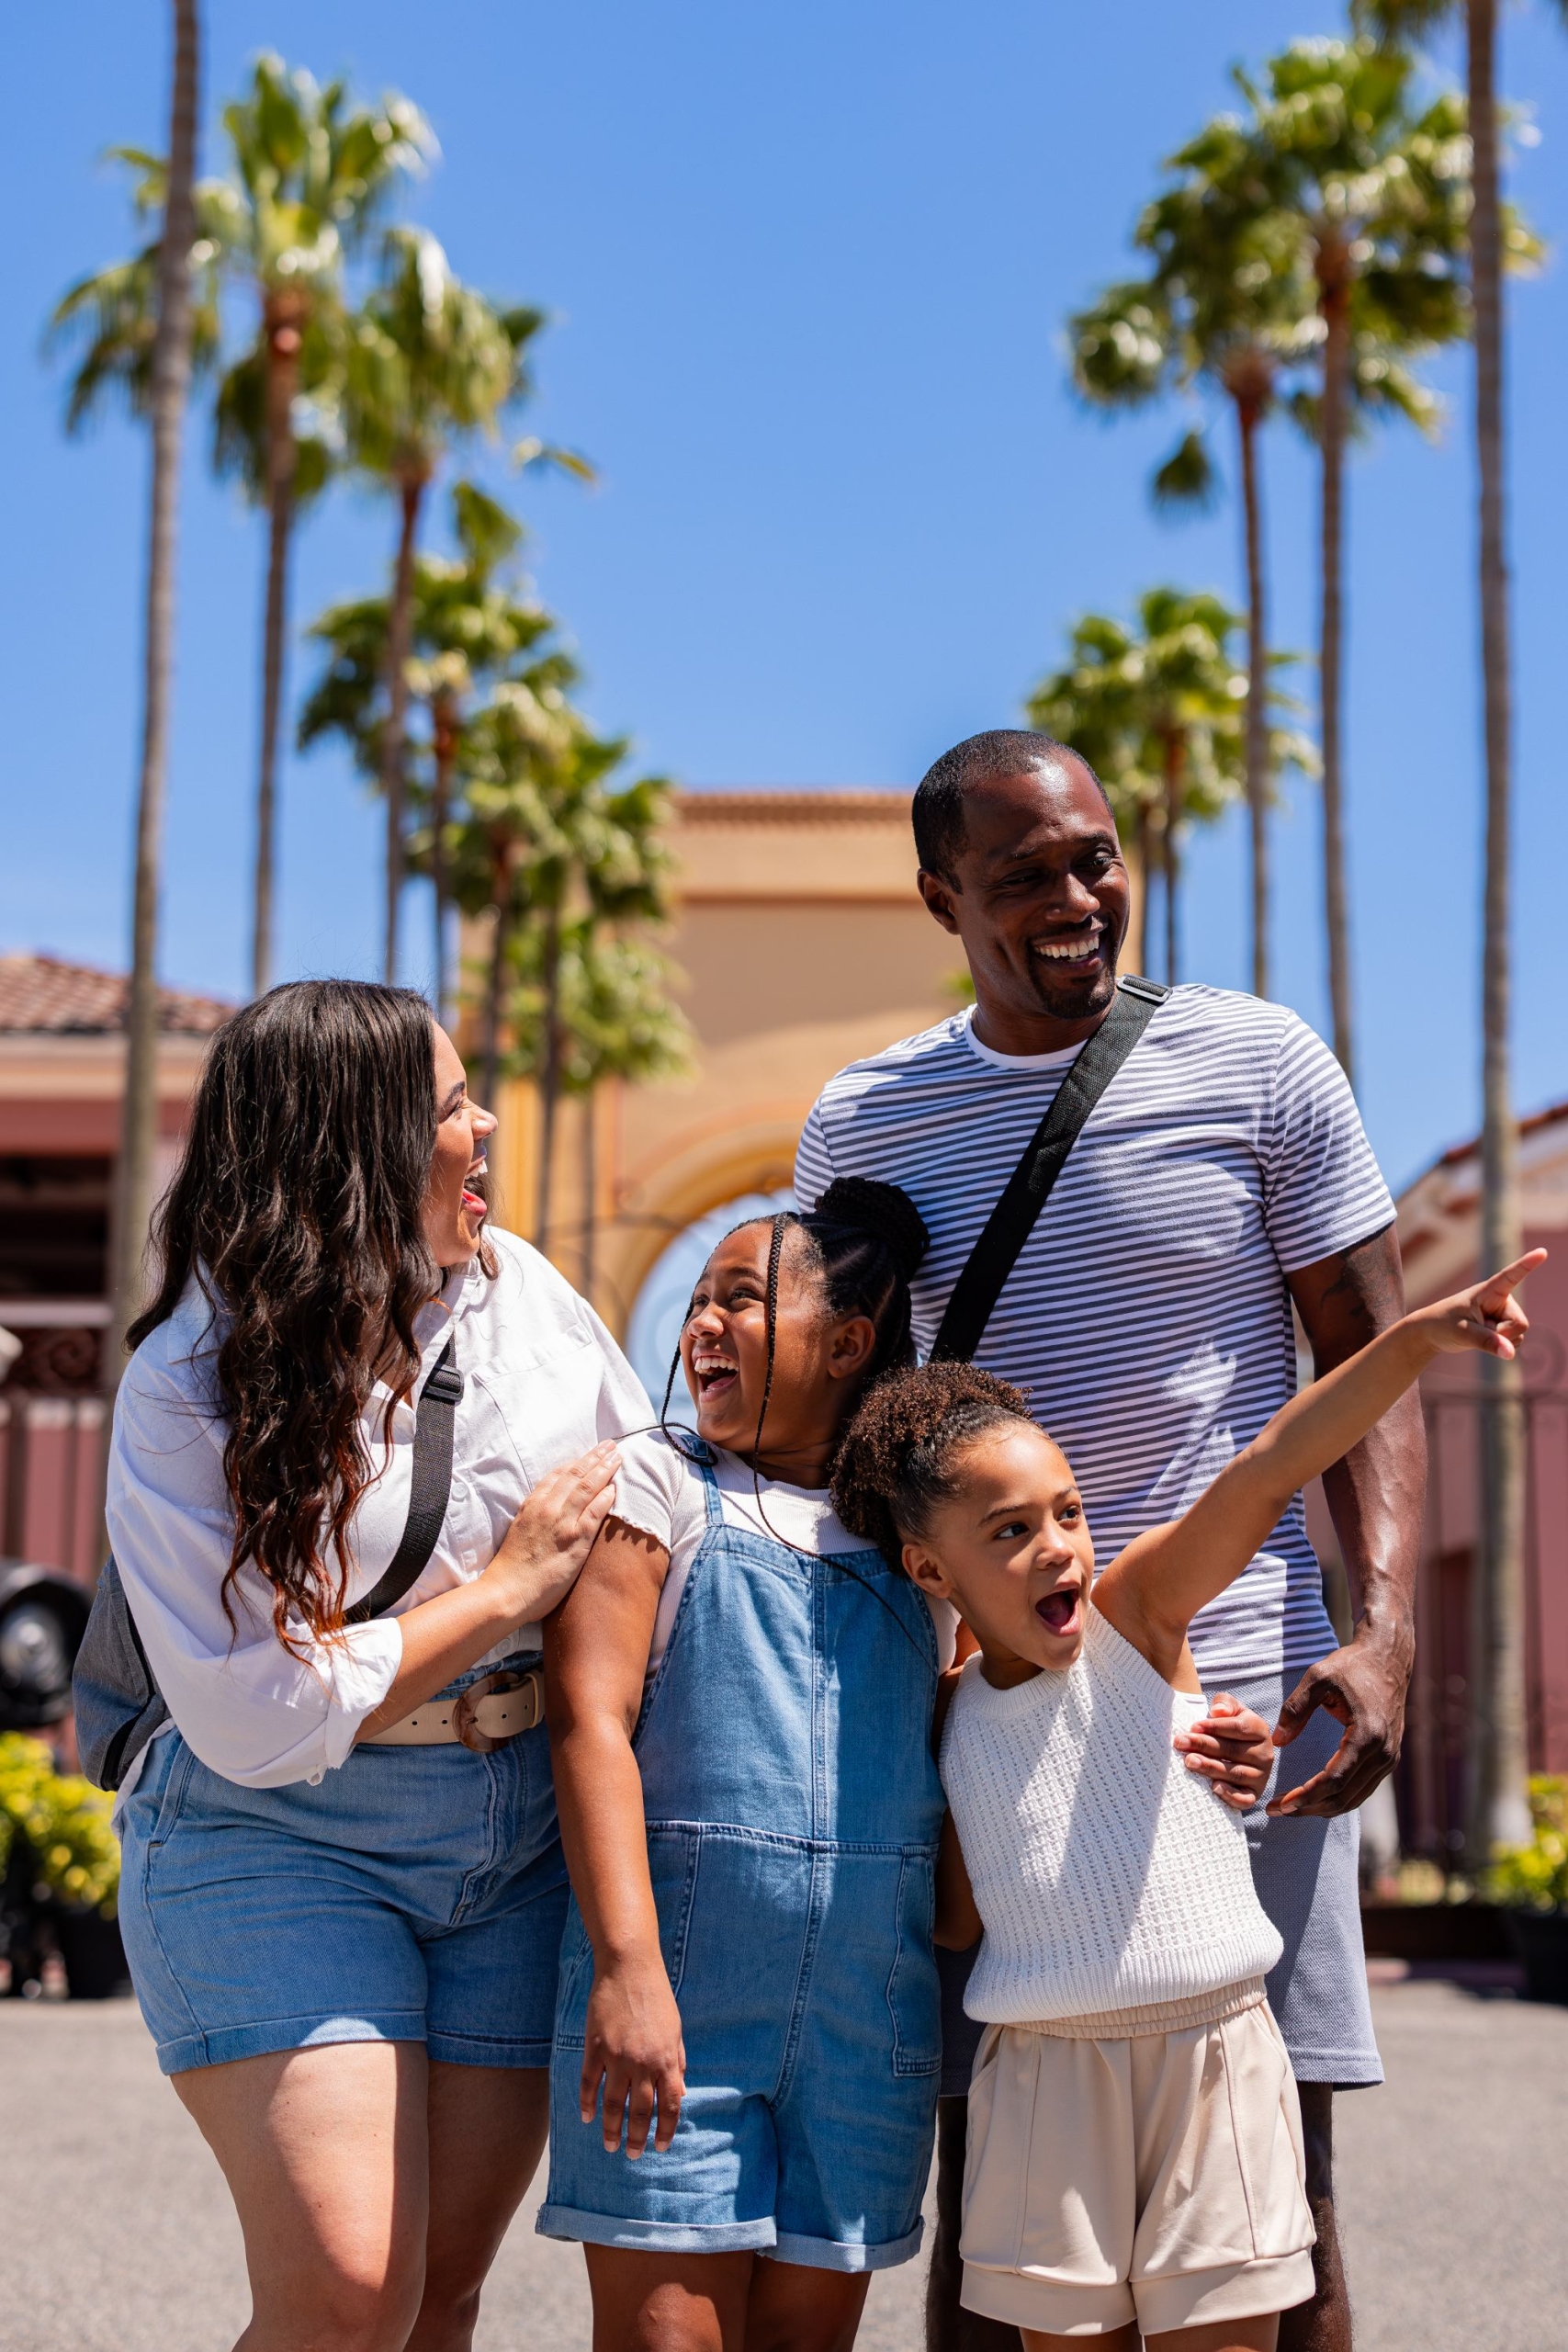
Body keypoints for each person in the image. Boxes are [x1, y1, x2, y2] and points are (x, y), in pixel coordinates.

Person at [795, 730, 1427, 2352]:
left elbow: (1362, 1358)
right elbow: (829, 1414)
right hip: (985, 1716)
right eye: (1023, 877)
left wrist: (1386, 1627)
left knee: (1281, 2171)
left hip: (1238, 1705)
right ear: (943, 900)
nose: (1079, 899)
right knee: (994, 2158)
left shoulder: (1259, 1060)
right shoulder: (862, 1117)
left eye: (1097, 860)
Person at [536, 1181, 1277, 2352]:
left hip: (866, 2029)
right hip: (678, 2011)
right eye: (695, 1302)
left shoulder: (932, 1551)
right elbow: (586, 1720)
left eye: (741, 1298)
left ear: (847, 1345)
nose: (700, 1326)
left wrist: (1197, 1734)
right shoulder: (659, 1485)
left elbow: (1028, 1711)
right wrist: (628, 1970)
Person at [826, 1251, 1540, 2351]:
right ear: (930, 1569)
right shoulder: (944, 1717)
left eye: (1065, 1512)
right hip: (1043, 2084)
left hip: (1215, 2054)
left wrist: (1415, 1340)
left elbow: (1268, 1464)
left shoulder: (1138, 1616)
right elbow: (961, 1919)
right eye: (1009, 1531)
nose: (1056, 1545)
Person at [108, 980, 643, 2352]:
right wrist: (513, 1586)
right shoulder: (186, 1381)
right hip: (270, 1841)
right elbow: (249, 1712)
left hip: (511, 1838)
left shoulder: (527, 1300)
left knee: (439, 2298)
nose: (486, 1130)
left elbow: (647, 1512)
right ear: (349, 1147)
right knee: (347, 2294)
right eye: (453, 1106)